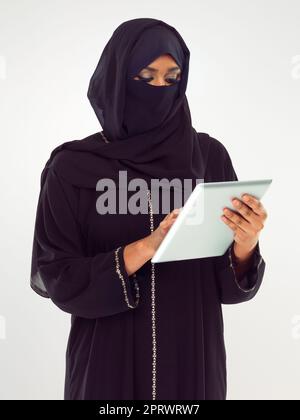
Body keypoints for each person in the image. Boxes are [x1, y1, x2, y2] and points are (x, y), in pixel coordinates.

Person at [30, 18, 268, 400]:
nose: (160, 88)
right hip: (106, 363)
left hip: (192, 362)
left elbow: (229, 289)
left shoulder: (208, 158)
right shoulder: (73, 168)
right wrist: (143, 249)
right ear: (116, 78)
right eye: (146, 77)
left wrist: (246, 242)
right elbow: (57, 275)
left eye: (172, 78)